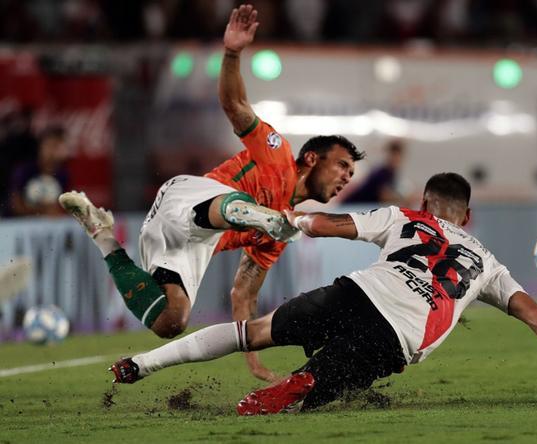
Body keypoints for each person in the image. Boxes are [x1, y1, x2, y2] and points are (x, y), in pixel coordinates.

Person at [108, 172, 537, 415]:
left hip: (356, 292)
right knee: (308, 390)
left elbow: (334, 225)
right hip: (399, 335)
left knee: (254, 332)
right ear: (467, 218)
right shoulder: (489, 264)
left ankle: (141, 364)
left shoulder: (406, 216)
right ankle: (291, 389)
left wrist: (296, 220)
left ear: (427, 202)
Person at [59, 3, 364, 382]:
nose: (347, 177)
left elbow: (243, 294)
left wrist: (254, 360)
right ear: (312, 158)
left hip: (186, 242)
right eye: (342, 166)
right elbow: (234, 105)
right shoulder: (277, 153)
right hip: (191, 199)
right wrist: (233, 52)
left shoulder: (276, 239)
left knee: (172, 320)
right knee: (248, 211)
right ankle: (260, 215)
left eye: (351, 172)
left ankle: (101, 233)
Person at [7, 125, 69, 217]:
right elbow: (15, 206)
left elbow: (66, 207)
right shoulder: (24, 171)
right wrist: (43, 211)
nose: (54, 151)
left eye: (59, 146)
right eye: (51, 145)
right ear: (40, 147)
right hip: (19, 226)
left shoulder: (63, 174)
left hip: (50, 227)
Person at [342, 139, 408, 205]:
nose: (396, 159)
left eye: (398, 156)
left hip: (361, 206)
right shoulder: (382, 173)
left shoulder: (391, 173)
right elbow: (384, 197)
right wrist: (404, 199)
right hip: (353, 206)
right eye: (394, 155)